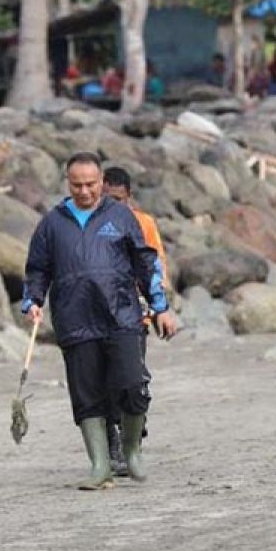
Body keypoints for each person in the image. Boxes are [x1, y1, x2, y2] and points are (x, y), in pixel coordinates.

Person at [22, 153, 178, 490]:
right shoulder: (52, 223)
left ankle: (132, 449)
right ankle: (99, 465)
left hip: (121, 316)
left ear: (101, 180)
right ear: (68, 182)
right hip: (75, 320)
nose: (84, 191)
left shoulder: (121, 216)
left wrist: (160, 307)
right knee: (87, 395)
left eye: (91, 184)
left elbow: (146, 263)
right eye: (77, 185)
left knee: (133, 385)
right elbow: (37, 269)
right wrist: (32, 300)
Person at [101, 166, 172, 476]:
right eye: (107, 199)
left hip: (134, 313)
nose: (112, 205)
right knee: (100, 383)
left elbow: (156, 266)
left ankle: (132, 435)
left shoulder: (143, 224)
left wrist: (160, 309)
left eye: (118, 199)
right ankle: (113, 446)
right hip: (96, 314)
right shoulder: (88, 223)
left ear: (129, 197)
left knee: (132, 378)